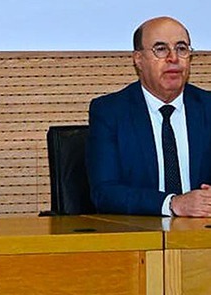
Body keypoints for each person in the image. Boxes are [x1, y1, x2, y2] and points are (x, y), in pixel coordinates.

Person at [87, 16, 211, 217]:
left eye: (181, 48)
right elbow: (104, 192)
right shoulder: (110, 112)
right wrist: (172, 203)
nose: (173, 58)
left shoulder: (207, 107)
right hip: (140, 230)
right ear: (138, 59)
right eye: (160, 49)